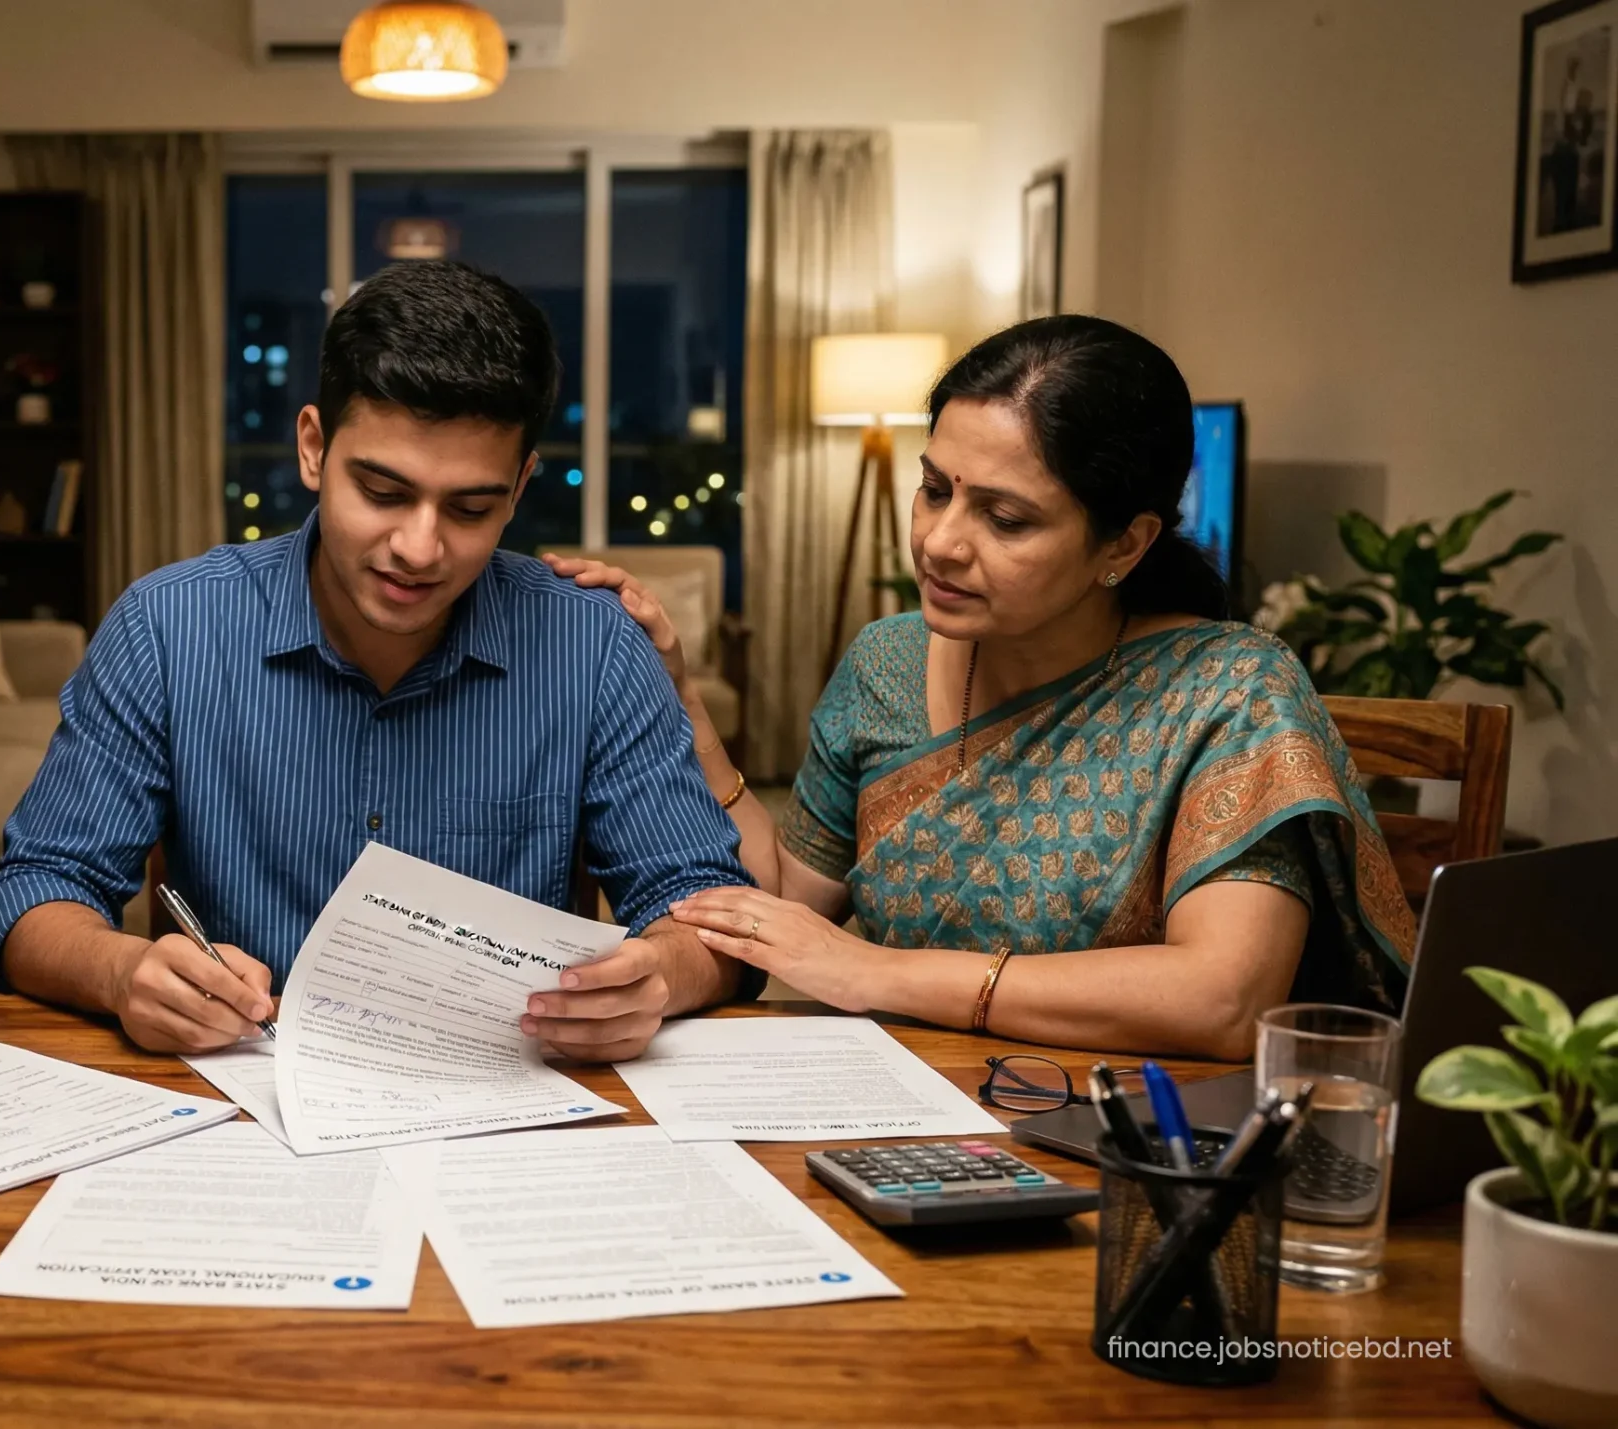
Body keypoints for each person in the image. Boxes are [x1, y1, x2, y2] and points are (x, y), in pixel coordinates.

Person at [579, 315, 1414, 1063]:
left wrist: (883, 972)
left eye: (1004, 518)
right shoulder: (887, 665)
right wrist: (682, 704)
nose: (939, 543)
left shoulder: (1230, 692)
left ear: (1124, 542)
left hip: (1134, 1131)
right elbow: (786, 907)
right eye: (934, 489)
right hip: (911, 1106)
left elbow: (1226, 999)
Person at [0, 259, 753, 1063]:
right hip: (244, 1100)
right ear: (314, 449)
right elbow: (31, 892)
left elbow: (714, 919)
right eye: (383, 492)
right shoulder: (169, 628)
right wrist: (123, 971)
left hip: (506, 1106)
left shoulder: (593, 647)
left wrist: (657, 975)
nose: (419, 549)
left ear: (521, 486)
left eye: (470, 508)